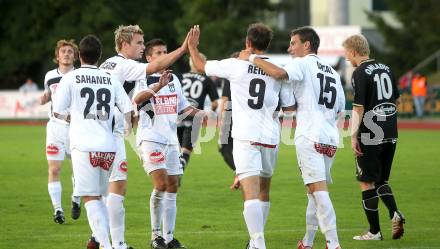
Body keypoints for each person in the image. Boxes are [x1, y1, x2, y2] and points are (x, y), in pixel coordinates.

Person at [189, 23, 296, 249]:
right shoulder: (276, 69)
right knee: (264, 190)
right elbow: (289, 109)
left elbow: (199, 65)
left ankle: (258, 244)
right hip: (270, 137)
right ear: (266, 45)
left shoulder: (235, 65)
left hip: (245, 136)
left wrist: (192, 46)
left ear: (248, 43)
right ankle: (256, 243)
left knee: (250, 193)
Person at [239, 26, 345, 249]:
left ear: (307, 45)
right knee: (313, 192)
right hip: (331, 136)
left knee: (319, 191)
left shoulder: (302, 64)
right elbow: (339, 109)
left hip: (310, 135)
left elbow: (278, 75)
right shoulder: (333, 72)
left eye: (293, 43)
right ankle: (307, 241)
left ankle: (334, 244)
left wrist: (253, 57)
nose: (289, 48)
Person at [90, 25, 192, 249]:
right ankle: (116, 243)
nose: (142, 47)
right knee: (117, 187)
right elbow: (154, 67)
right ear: (124, 44)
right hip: (111, 132)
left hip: (95, 130)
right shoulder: (126, 65)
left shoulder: (108, 63)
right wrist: (184, 48)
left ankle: (97, 238)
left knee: (100, 188)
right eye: (138, 43)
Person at [53, 34, 134, 249]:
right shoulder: (110, 78)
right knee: (103, 197)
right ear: (99, 56)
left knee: (91, 198)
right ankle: (111, 244)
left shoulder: (70, 78)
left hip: (83, 146)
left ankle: (106, 246)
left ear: (79, 55)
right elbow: (128, 110)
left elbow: (57, 112)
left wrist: (72, 118)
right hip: (108, 146)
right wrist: (126, 129)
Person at [133, 38, 206, 249]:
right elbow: (137, 100)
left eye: (166, 51)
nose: (164, 55)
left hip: (171, 140)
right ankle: (155, 236)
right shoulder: (142, 76)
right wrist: (158, 86)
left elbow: (183, 108)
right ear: (149, 58)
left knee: (173, 186)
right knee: (161, 184)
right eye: (159, 52)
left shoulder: (174, 78)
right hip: (150, 139)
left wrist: (201, 113)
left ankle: (169, 237)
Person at [343, 34, 405, 241]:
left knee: (366, 181)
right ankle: (395, 213)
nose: (346, 58)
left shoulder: (359, 72)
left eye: (346, 54)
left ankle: (374, 232)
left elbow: (358, 108)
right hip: (390, 131)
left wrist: (353, 136)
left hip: (370, 133)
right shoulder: (386, 68)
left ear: (353, 51)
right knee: (381, 180)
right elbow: (397, 99)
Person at [39, 39, 80, 224]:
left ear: (75, 56)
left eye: (70, 51)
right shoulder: (50, 76)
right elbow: (50, 94)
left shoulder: (80, 75)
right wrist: (46, 97)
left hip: (76, 129)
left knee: (78, 171)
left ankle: (76, 200)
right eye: (63, 51)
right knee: (54, 169)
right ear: (57, 56)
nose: (66, 54)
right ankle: (58, 210)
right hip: (55, 127)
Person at [177, 53, 219, 170]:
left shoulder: (179, 77)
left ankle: (174, 176)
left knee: (176, 150)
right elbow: (215, 102)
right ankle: (178, 173)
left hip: (177, 116)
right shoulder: (207, 80)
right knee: (186, 150)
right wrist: (210, 112)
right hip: (194, 117)